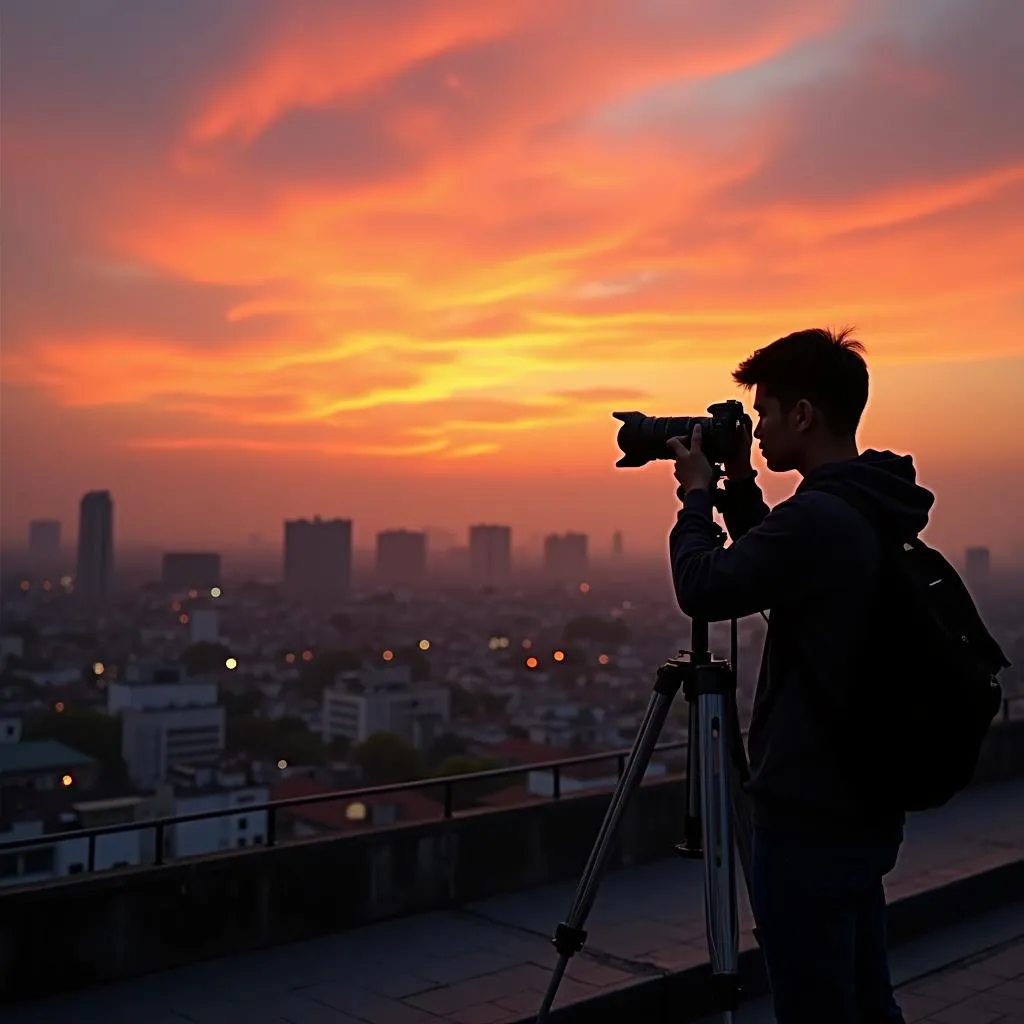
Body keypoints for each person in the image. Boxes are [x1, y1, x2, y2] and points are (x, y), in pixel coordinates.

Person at [667, 327, 934, 1024]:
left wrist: (696, 500)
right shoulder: (864, 503)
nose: (754, 429)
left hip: (809, 806)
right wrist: (740, 490)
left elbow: (705, 586)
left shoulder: (821, 516)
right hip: (861, 794)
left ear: (803, 415)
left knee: (817, 1005)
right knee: (865, 997)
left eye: (764, 412)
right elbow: (782, 571)